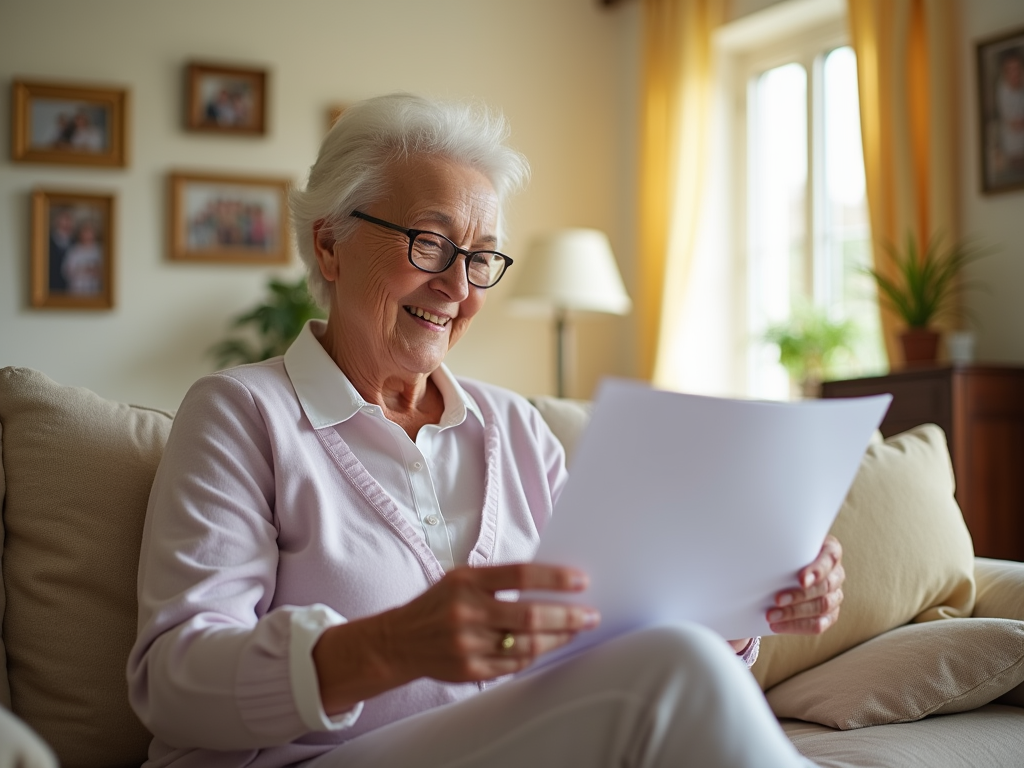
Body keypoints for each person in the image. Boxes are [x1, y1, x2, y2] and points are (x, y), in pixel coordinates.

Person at [128, 93, 844, 768]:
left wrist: (745, 607)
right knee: (671, 671)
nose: (460, 288)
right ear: (329, 246)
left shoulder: (516, 427)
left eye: (479, 258)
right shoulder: (243, 413)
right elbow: (173, 682)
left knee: (677, 664)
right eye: (430, 244)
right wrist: (390, 647)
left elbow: (605, 646)